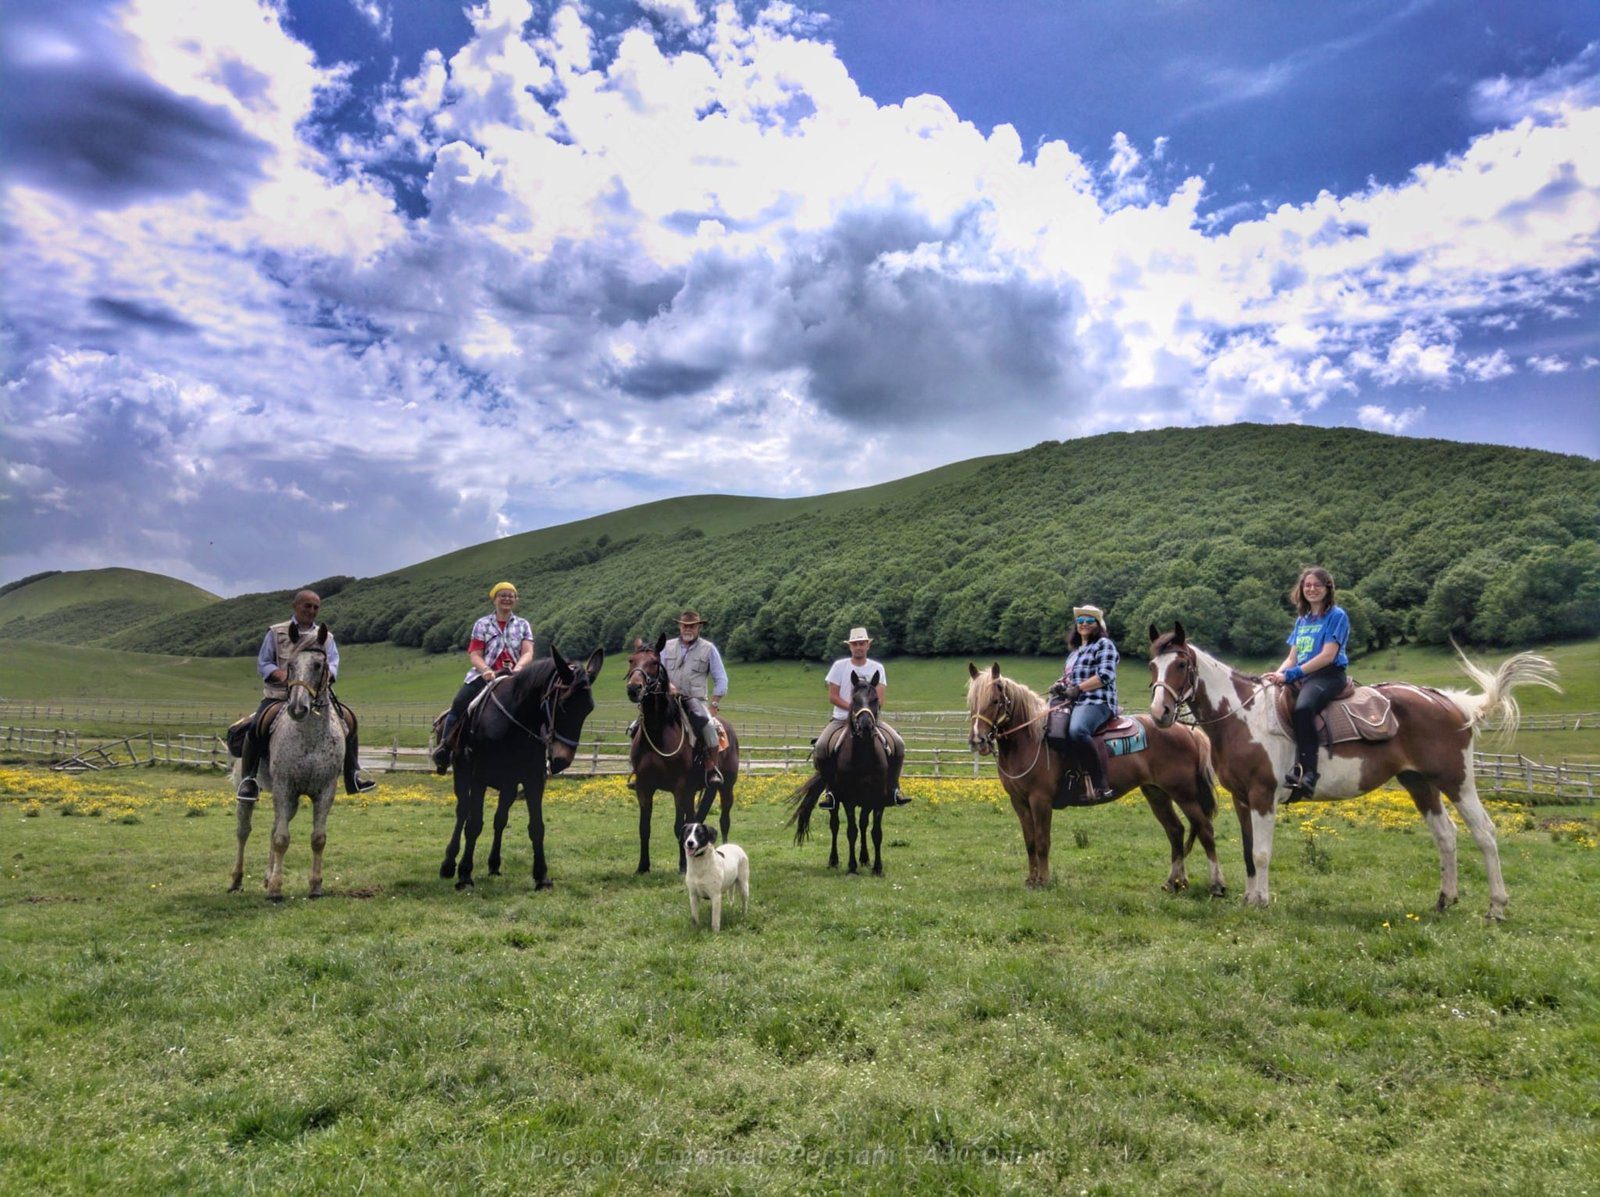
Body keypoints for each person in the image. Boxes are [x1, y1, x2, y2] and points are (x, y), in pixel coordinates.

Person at [236, 589, 375, 800]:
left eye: (315, 607)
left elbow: (333, 663)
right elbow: (263, 663)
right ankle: (249, 779)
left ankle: (352, 775)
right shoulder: (276, 632)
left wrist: (327, 676)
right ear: (295, 607)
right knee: (256, 726)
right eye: (307, 606)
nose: (311, 611)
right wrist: (281, 675)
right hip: (279, 695)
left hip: (315, 696)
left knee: (349, 721)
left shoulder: (326, 637)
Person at [1263, 566, 1350, 802]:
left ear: (1327, 588)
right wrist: (1275, 675)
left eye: (1317, 585)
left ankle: (1308, 773)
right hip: (1302, 675)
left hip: (1328, 675)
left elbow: (1327, 656)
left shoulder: (1337, 616)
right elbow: (1292, 658)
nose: (1312, 589)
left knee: (1303, 709)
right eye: (1307, 585)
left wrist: (1290, 675)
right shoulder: (1302, 620)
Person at [432, 581, 536, 772]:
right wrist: (486, 670)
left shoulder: (523, 624)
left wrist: (519, 668)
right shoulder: (482, 624)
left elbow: (528, 652)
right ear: (494, 599)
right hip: (486, 675)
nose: (507, 598)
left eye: (511, 595)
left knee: (540, 706)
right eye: (502, 595)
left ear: (516, 599)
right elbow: (475, 654)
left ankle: (543, 755)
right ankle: (445, 748)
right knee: (459, 703)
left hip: (515, 676)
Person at [816, 627, 910, 809]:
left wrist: (865, 713)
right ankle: (830, 792)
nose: (858, 647)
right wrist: (854, 710)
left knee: (898, 743)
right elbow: (833, 697)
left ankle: (894, 789)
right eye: (855, 644)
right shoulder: (839, 667)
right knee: (821, 746)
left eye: (862, 643)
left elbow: (880, 700)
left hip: (871, 720)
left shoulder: (877, 668)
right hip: (841, 719)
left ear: (868, 645)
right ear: (850, 646)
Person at [1045, 604, 1119, 804]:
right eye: (1080, 620)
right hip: (1074, 702)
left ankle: (1100, 783)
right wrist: (1059, 686)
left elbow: (1105, 675)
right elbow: (1068, 679)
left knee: (1077, 730)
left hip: (1098, 701)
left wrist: (1078, 688)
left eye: (1089, 620)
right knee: (1049, 729)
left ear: (1098, 624)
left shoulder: (1104, 644)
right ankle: (1068, 779)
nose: (1083, 624)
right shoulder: (1075, 653)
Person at [662, 610, 728, 785]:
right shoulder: (666, 647)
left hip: (696, 700)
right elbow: (657, 671)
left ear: (699, 627)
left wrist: (714, 704)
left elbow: (721, 679)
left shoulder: (708, 649)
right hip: (668, 699)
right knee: (639, 724)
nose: (688, 629)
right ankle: (638, 768)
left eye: (692, 626)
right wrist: (667, 684)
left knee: (709, 727)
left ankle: (711, 767)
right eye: (685, 625)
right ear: (679, 626)